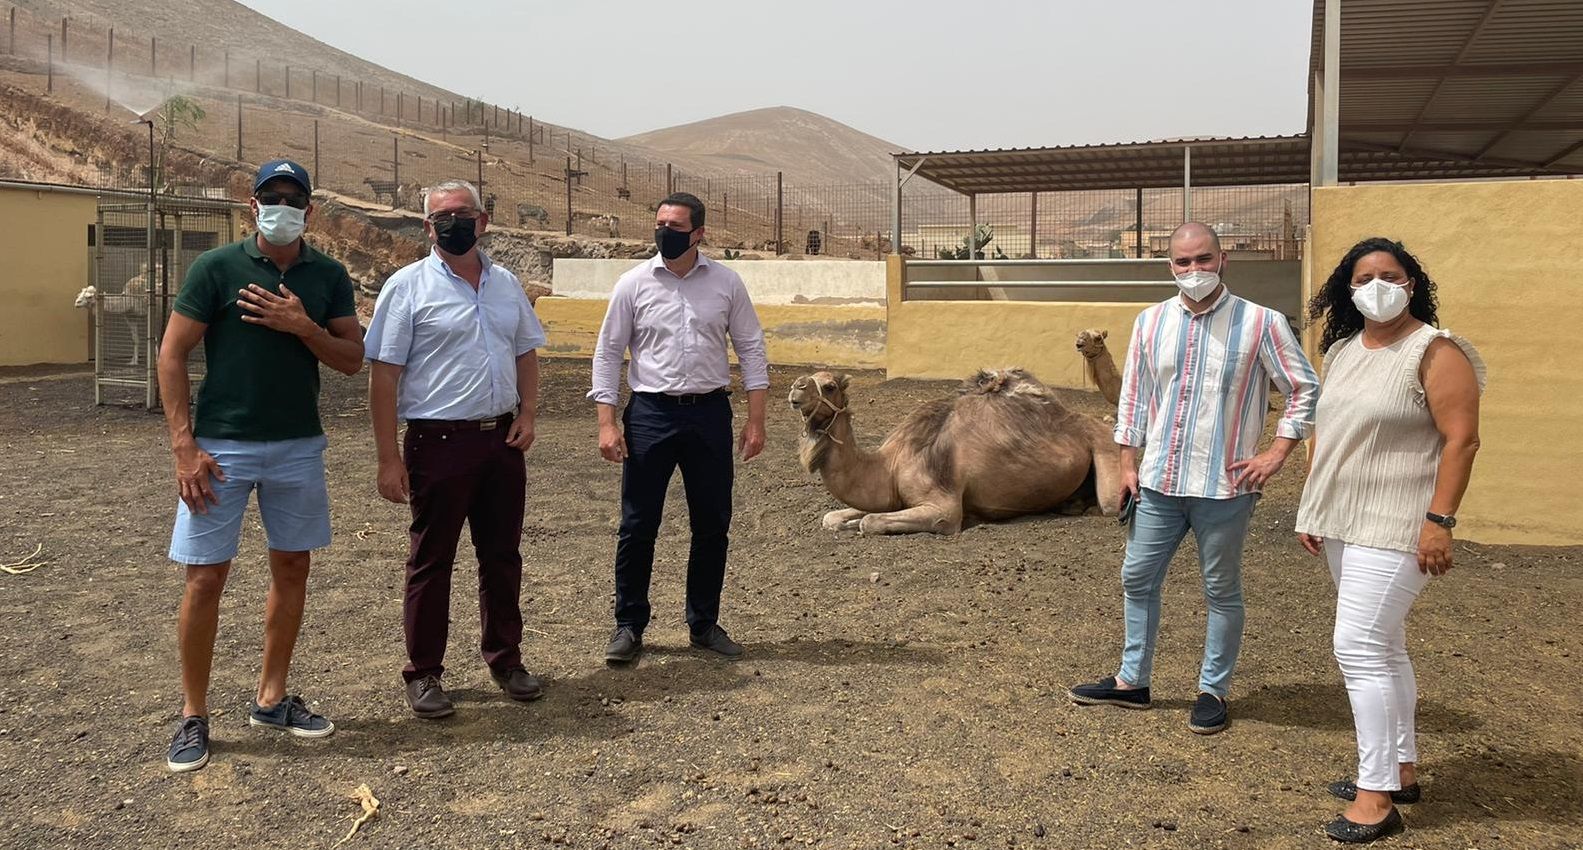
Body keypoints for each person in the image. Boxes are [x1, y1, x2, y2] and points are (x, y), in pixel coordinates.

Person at [1068, 222, 1320, 735]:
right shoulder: (1150, 323)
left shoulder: (1261, 323)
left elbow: (1305, 388)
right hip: (1159, 482)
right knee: (1137, 578)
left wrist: (1275, 453)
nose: (1194, 270)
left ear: (1223, 259)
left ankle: (1212, 690)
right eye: (1183, 262)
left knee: (1220, 589)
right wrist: (1129, 463)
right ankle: (1131, 682)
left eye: (1203, 259)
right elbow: (1133, 397)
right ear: (1171, 267)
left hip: (1225, 488)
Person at [157, 159, 364, 772]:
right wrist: (183, 447)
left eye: (293, 197)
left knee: (292, 568)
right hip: (220, 450)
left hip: (298, 445)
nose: (282, 205)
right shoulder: (216, 268)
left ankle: (271, 699)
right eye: (270, 196)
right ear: (253, 205)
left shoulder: (327, 275)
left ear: (310, 209)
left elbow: (353, 358)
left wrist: (302, 326)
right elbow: (171, 354)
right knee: (204, 577)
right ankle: (194, 714)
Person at [1294, 238, 1484, 843]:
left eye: (1390, 274)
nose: (1377, 284)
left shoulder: (1435, 350)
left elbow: (1462, 441)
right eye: (1364, 276)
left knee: (1359, 647)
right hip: (1345, 521)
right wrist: (1314, 505)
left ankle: (1376, 796)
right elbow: (1329, 429)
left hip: (1399, 523)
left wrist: (1440, 521)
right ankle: (1400, 769)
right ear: (1348, 291)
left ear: (1412, 283)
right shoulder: (1345, 350)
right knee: (1387, 646)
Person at [364, 179, 547, 719]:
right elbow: (384, 375)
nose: (453, 222)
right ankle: (423, 673)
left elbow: (526, 351)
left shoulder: (506, 283)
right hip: (437, 442)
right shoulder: (407, 287)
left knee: (502, 555)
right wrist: (387, 457)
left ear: (483, 220)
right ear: (427, 226)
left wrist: (530, 412)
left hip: (501, 440)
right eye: (442, 216)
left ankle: (505, 659)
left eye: (463, 213)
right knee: (431, 560)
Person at [589, 191, 769, 665]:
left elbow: (751, 348)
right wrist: (607, 423)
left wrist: (756, 419)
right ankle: (629, 626)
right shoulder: (633, 283)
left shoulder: (727, 283)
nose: (664, 232)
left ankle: (704, 624)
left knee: (712, 524)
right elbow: (608, 352)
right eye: (660, 223)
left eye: (675, 225)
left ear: (699, 233)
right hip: (650, 414)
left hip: (709, 414)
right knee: (637, 524)